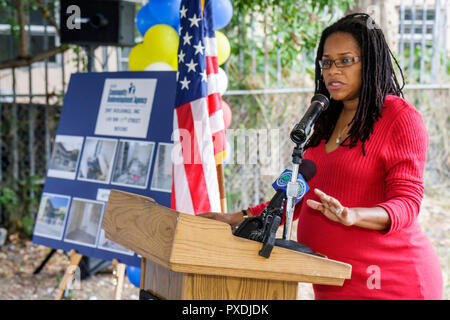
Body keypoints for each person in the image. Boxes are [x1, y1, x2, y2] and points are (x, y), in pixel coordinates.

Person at [199, 13, 443, 300]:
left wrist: (353, 216)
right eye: (327, 62)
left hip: (391, 281)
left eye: (345, 60)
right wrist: (234, 218)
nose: (332, 71)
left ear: (371, 62)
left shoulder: (400, 117)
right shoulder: (325, 118)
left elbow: (407, 203)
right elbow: (297, 195)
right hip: (332, 280)